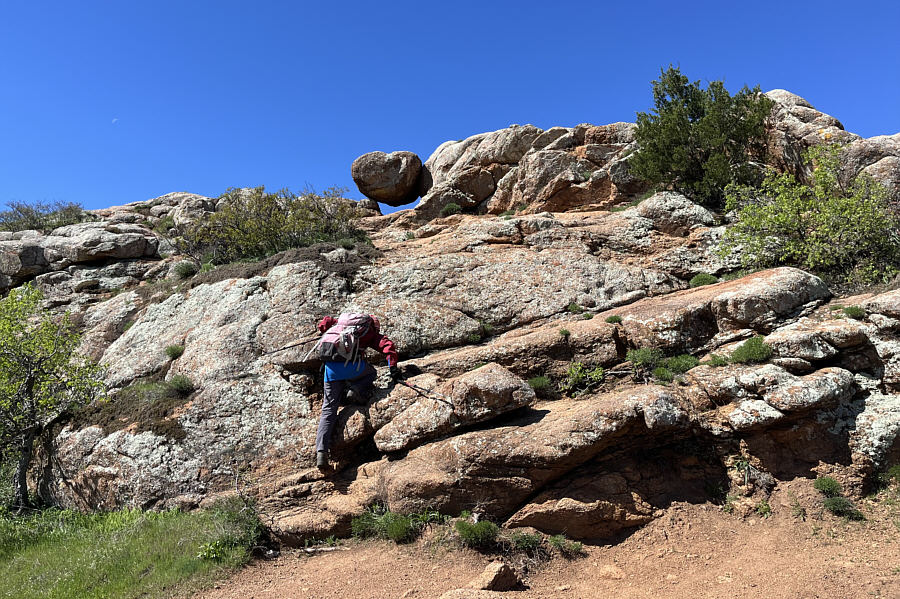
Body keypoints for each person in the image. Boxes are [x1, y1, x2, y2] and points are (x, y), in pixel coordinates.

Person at [313, 314, 400, 471]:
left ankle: (321, 453)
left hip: (330, 370)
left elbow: (324, 323)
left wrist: (323, 330)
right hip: (352, 368)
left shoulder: (339, 323)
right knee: (371, 373)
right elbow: (387, 346)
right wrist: (393, 368)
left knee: (328, 410)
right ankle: (356, 391)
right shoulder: (368, 332)